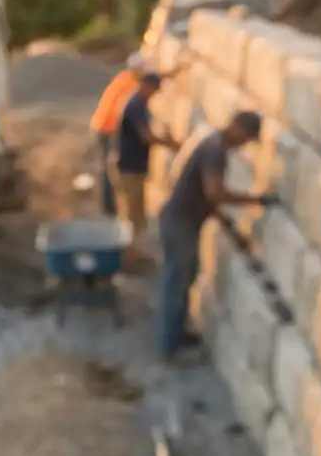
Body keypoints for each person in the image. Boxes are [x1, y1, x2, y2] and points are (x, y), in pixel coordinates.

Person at [156, 110, 276, 359]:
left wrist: (228, 225)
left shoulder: (213, 144)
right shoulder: (216, 151)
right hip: (180, 224)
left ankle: (176, 334)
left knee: (185, 275)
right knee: (177, 280)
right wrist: (257, 200)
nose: (245, 145)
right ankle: (169, 347)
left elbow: (206, 196)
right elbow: (215, 193)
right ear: (239, 128)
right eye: (248, 138)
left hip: (180, 221)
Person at [112, 72, 176, 261]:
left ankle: (130, 253)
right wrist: (171, 143)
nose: (154, 94)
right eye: (154, 90)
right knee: (133, 214)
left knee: (133, 212)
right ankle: (129, 257)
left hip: (132, 166)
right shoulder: (136, 106)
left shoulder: (138, 103)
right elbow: (146, 136)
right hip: (129, 167)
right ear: (146, 86)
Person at [89, 53, 149, 215]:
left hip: (103, 125)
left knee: (107, 166)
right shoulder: (131, 85)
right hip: (108, 128)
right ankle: (110, 208)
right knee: (112, 168)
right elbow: (122, 112)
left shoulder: (124, 78)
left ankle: (109, 206)